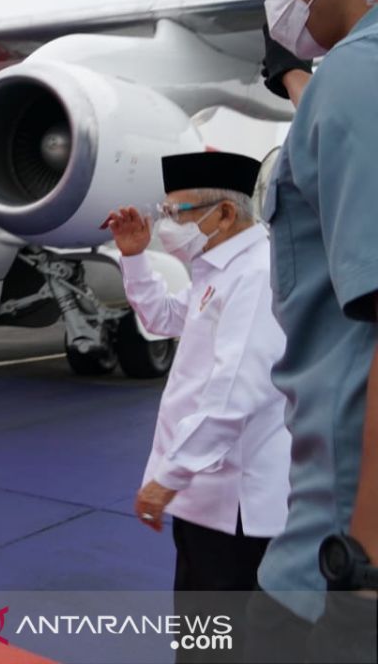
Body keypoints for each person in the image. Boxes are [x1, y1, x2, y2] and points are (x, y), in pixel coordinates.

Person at [249, 0, 378, 661]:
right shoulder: (348, 82)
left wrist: (360, 577)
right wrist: (306, 90)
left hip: (325, 558)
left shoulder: (358, 76)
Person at [105, 152, 291, 663]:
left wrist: (172, 474)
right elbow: (166, 317)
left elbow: (236, 391)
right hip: (208, 494)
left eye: (178, 213)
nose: (168, 224)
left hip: (232, 502)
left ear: (225, 215)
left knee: (220, 640)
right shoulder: (218, 270)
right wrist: (136, 258)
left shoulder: (254, 273)